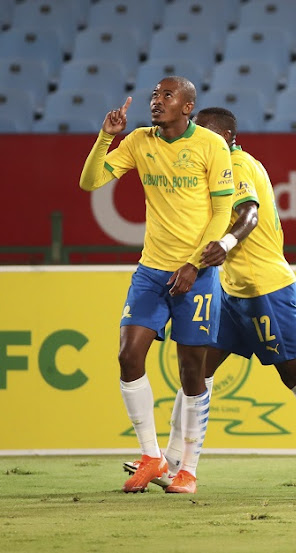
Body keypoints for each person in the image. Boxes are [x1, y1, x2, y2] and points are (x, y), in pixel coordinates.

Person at [123, 107, 296, 492]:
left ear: (229, 138)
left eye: (211, 135)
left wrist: (225, 242)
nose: (203, 140)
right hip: (231, 292)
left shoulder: (239, 164)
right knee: (195, 375)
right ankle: (172, 461)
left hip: (264, 289)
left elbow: (248, 213)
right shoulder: (209, 164)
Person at [79, 77, 235, 494]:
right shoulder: (138, 142)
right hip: (152, 270)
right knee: (129, 356)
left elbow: (223, 212)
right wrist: (104, 139)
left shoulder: (210, 145)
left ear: (187, 107)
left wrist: (195, 262)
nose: (156, 101)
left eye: (167, 96)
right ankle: (151, 455)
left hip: (196, 274)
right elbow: (89, 182)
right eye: (154, 95)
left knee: (191, 373)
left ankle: (189, 470)